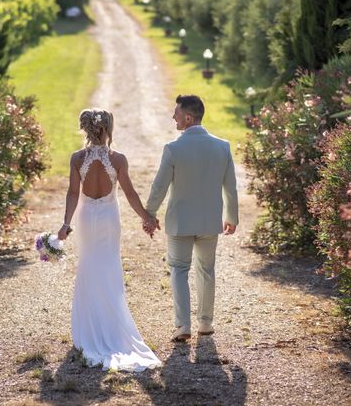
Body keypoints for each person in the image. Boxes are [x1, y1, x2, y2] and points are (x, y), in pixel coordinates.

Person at [57, 108, 161, 372]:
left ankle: (90, 328)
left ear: (87, 129)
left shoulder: (77, 158)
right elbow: (129, 193)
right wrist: (146, 217)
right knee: (109, 266)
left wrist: (65, 224)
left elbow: (72, 193)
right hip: (108, 218)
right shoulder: (118, 159)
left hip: (85, 217)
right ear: (107, 129)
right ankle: (111, 326)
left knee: (89, 265)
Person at [143, 94, 239, 342]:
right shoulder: (222, 146)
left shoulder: (173, 149)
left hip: (180, 223)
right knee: (206, 271)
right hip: (209, 221)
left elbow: (159, 187)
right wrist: (232, 216)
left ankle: (183, 325)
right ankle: (205, 323)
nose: (173, 117)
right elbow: (230, 187)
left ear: (188, 117)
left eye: (176, 113)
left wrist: (149, 214)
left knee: (178, 270)